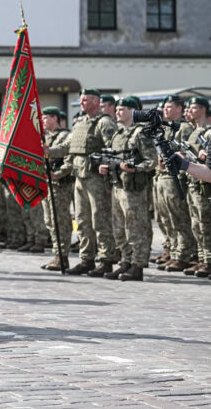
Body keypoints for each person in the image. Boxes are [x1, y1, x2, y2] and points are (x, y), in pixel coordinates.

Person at [49, 89, 117, 276]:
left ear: (96, 101)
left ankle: (105, 259)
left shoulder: (104, 123)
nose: (82, 103)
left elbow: (115, 148)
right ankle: (86, 258)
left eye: (85, 100)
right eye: (81, 100)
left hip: (97, 179)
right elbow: (67, 147)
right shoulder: (80, 124)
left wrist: (107, 168)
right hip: (79, 177)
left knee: (100, 220)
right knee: (82, 220)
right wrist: (47, 151)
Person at [98, 97, 156, 281]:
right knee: (119, 228)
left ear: (133, 111)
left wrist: (134, 168)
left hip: (134, 189)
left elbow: (151, 161)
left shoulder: (141, 133)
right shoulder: (118, 133)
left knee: (135, 227)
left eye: (122, 109)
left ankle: (137, 266)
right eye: (117, 109)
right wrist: (105, 166)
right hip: (118, 185)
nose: (117, 112)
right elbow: (112, 157)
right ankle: (125, 262)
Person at [153, 95, 194, 272]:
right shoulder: (167, 128)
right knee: (165, 217)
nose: (166, 110)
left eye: (170, 107)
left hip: (174, 177)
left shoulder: (182, 128)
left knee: (179, 217)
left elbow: (185, 151)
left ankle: (183, 254)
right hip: (161, 176)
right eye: (165, 107)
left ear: (179, 109)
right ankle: (173, 250)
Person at [40, 106, 74, 271]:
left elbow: (70, 159)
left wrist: (58, 174)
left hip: (60, 184)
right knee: (50, 221)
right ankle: (56, 254)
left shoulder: (65, 136)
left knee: (60, 220)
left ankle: (63, 255)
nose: (43, 121)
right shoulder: (45, 137)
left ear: (55, 119)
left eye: (46, 118)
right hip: (47, 182)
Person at [182, 96, 211, 277]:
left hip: (203, 185)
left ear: (202, 109)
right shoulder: (195, 132)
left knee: (204, 223)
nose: (189, 111)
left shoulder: (207, 132)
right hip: (193, 181)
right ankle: (202, 259)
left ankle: (207, 260)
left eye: (193, 107)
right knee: (196, 223)